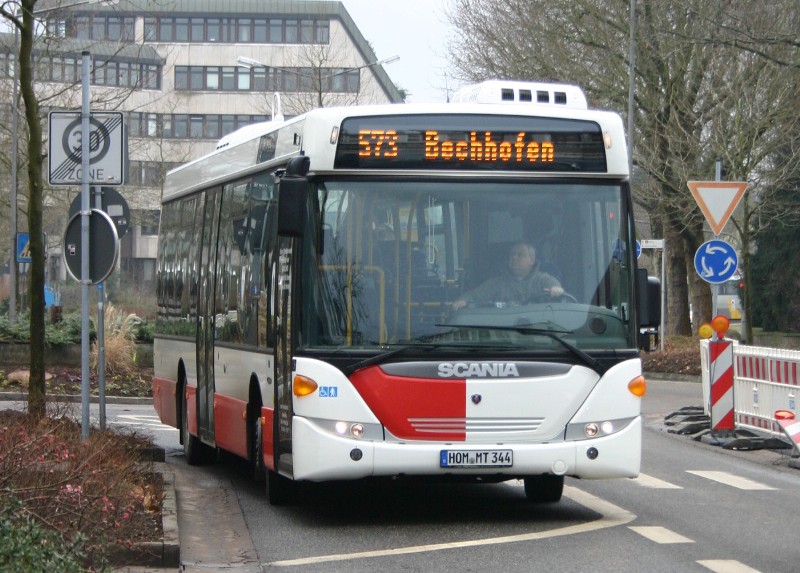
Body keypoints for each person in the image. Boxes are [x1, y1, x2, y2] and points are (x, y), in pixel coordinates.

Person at [452, 242, 564, 310]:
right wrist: (464, 300)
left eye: (520, 255)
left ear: (532, 260)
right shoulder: (497, 283)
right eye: (512, 255)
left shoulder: (543, 279)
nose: (515, 258)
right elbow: (474, 296)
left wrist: (556, 290)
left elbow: (556, 287)